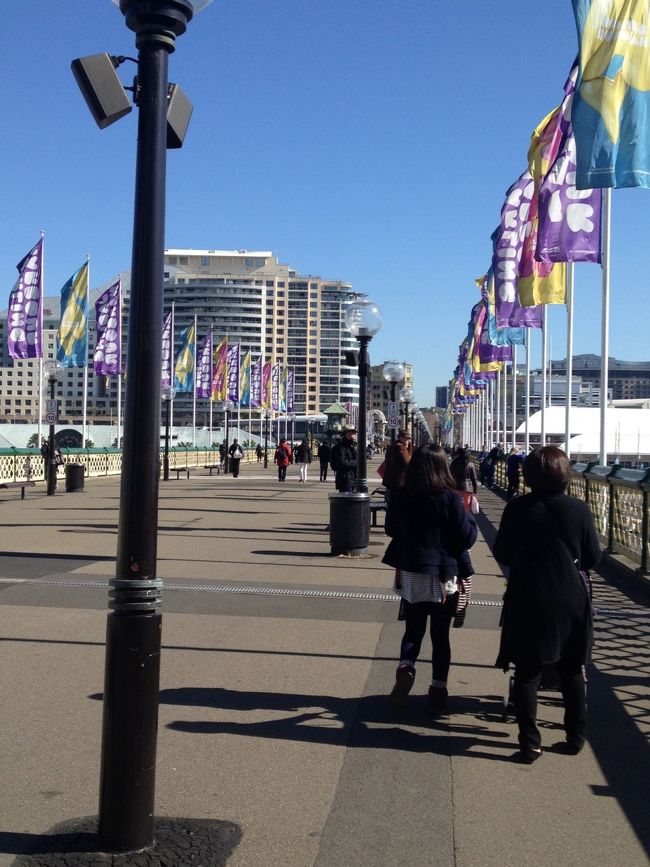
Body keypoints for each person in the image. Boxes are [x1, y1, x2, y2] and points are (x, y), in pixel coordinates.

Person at [493, 446, 601, 763]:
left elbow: (503, 554)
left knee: (528, 671)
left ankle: (530, 743)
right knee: (571, 668)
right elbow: (592, 557)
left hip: (527, 595)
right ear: (564, 474)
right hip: (569, 597)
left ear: (528, 475)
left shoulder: (517, 508)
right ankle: (575, 736)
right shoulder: (578, 510)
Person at [382, 444, 477, 715]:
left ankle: (406, 667)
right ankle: (438, 689)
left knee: (413, 628)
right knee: (440, 635)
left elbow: (391, 529)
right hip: (442, 575)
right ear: (443, 467)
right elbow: (465, 537)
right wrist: (469, 521)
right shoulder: (450, 499)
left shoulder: (402, 495)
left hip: (412, 570)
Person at [382, 429, 412, 501]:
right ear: (401, 438)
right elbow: (407, 463)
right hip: (398, 482)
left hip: (390, 481)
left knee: (391, 502)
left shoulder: (392, 446)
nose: (409, 441)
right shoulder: (401, 447)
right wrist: (410, 449)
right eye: (407, 439)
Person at [329, 425, 358, 492]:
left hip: (353, 479)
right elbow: (341, 462)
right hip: (345, 479)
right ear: (347, 433)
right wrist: (357, 462)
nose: (355, 434)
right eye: (353, 432)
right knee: (347, 500)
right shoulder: (340, 447)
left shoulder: (351, 446)